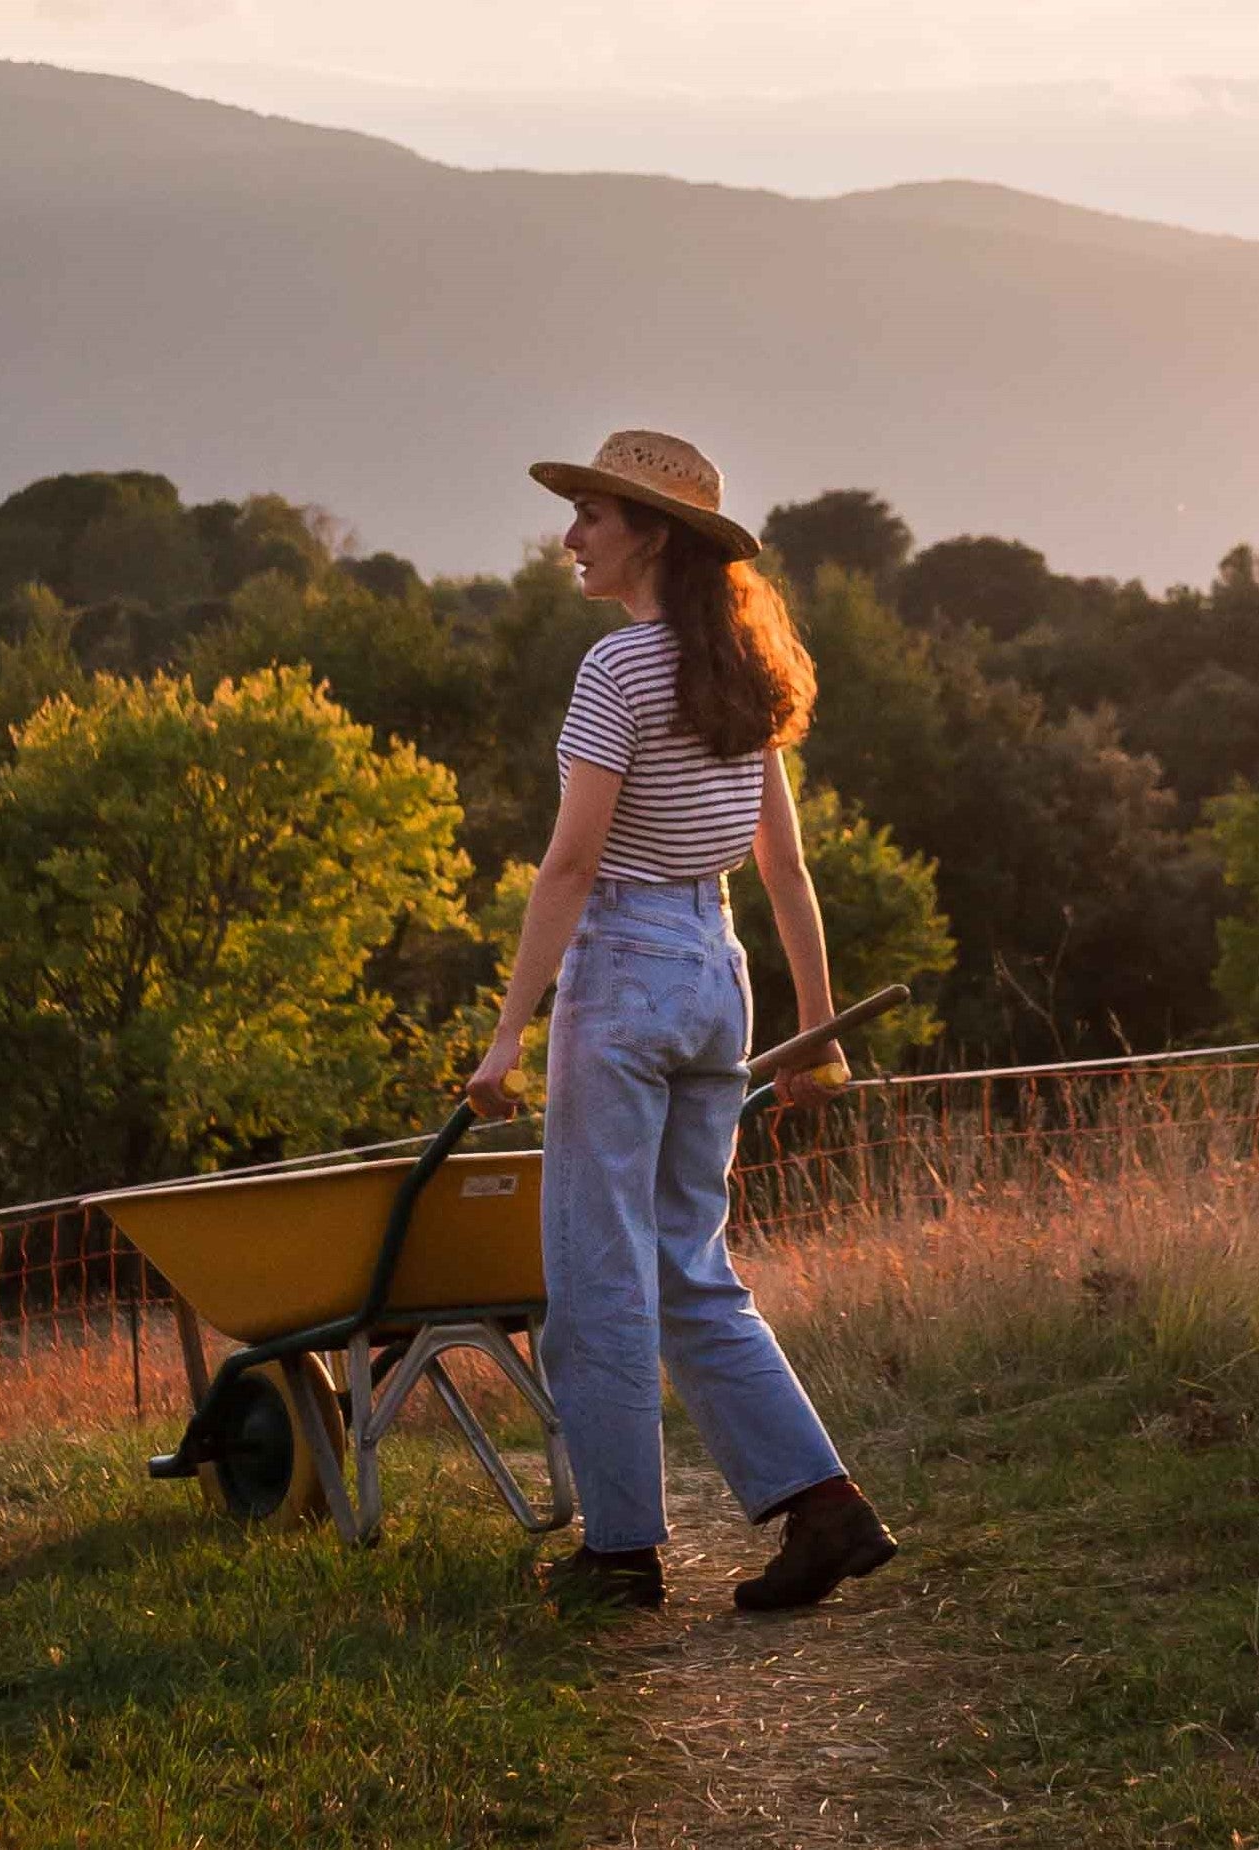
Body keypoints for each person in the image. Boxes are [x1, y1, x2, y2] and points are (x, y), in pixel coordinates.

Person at [468, 429, 896, 1613]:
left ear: (648, 533)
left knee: (598, 1273)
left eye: (591, 517)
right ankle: (825, 1508)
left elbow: (568, 867)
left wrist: (508, 1035)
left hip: (626, 969)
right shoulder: (739, 674)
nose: (570, 536)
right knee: (688, 1262)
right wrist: (815, 1030)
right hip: (718, 975)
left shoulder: (618, 671)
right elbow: (788, 874)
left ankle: (619, 1554)